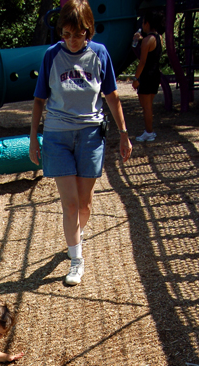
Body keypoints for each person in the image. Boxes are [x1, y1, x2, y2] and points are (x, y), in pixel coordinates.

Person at [29, 0, 132, 286]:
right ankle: (76, 259)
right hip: (57, 136)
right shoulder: (51, 56)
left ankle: (76, 237)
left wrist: (123, 133)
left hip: (90, 135)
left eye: (79, 34)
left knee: (85, 205)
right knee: (70, 204)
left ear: (89, 32)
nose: (72, 40)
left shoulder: (100, 54)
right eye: (66, 34)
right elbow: (39, 100)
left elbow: (111, 96)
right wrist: (33, 140)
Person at [132, 9, 164, 142]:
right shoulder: (159, 38)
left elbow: (142, 61)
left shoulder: (146, 41)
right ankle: (150, 130)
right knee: (149, 105)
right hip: (155, 74)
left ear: (147, 23)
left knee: (146, 107)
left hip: (146, 76)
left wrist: (135, 78)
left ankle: (148, 132)